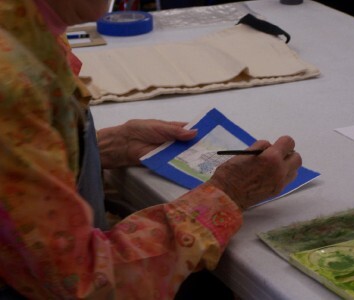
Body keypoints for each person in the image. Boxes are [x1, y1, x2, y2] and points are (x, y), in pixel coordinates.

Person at [0, 0, 302, 299]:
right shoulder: (12, 80)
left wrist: (96, 148)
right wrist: (228, 195)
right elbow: (86, 284)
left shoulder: (27, 23)